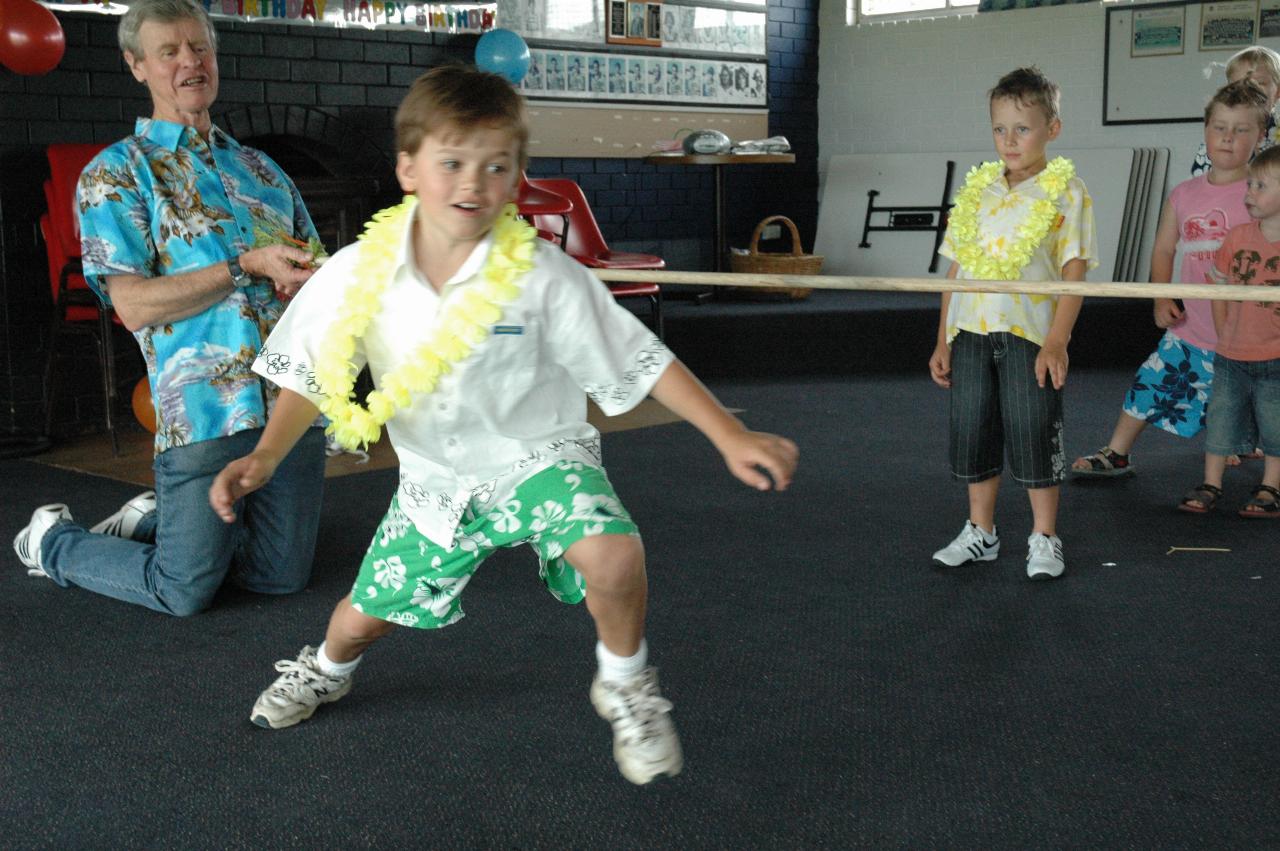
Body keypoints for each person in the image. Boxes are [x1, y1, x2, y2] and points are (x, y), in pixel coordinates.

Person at [207, 65, 799, 785]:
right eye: (452, 161)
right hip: (434, 484)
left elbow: (640, 358)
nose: (473, 182)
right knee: (359, 619)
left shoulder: (544, 274)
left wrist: (727, 433)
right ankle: (327, 669)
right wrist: (267, 456)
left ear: (517, 178)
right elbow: (311, 373)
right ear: (408, 169)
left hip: (535, 457)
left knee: (613, 555)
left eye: (497, 166)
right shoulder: (357, 272)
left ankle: (625, 680)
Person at [11, 0, 327, 616]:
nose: (190, 62)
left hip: (291, 406)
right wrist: (245, 266)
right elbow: (131, 306)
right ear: (137, 66)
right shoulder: (117, 174)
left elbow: (317, 277)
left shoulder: (262, 169)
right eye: (169, 52)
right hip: (203, 409)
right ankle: (53, 542)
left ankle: (160, 522)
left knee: (279, 577)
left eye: (200, 48)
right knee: (183, 591)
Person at [927, 67, 1097, 580]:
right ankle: (982, 531)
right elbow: (955, 269)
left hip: (1029, 335)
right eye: (1000, 128)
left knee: (1033, 428)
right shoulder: (978, 190)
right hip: (971, 332)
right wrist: (943, 337)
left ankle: (1044, 536)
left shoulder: (1067, 190)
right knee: (973, 430)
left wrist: (1058, 341)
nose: (1009, 140)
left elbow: (1075, 270)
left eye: (1022, 128)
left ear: (1053, 128)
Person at [1071, 81, 1269, 479]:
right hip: (1192, 329)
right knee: (1151, 381)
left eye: (1241, 129)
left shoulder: (1264, 194)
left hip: (1251, 332)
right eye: (1219, 127)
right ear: (1205, 132)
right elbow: (1163, 249)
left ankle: (1245, 446)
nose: (1228, 138)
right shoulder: (1183, 194)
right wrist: (1161, 298)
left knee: (1258, 400)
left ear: (1262, 136)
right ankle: (1117, 453)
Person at [1178, 145, 1280, 516]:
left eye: (1260, 187)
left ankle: (1270, 487)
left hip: (1276, 357)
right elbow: (1217, 288)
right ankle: (1211, 483)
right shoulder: (1236, 238)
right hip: (1231, 355)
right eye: (1249, 184)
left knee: (1275, 424)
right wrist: (1223, 333)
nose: (1249, 193)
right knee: (1219, 418)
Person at [1190, 46, 1280, 177]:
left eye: (1260, 83)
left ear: (1278, 91)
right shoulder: (1220, 134)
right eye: (1240, 83)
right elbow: (1200, 182)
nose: (1249, 90)